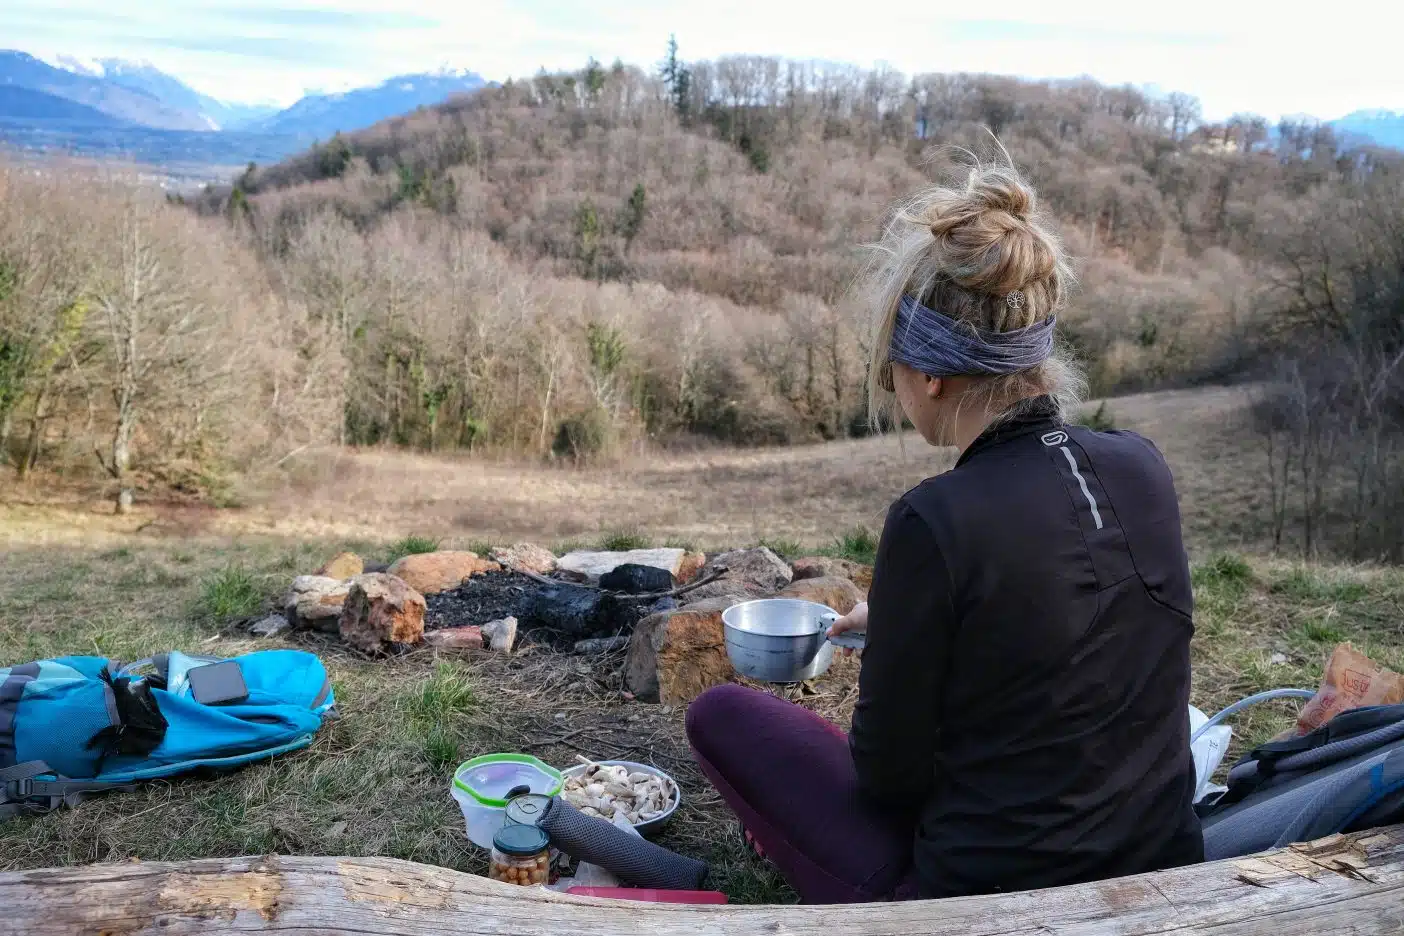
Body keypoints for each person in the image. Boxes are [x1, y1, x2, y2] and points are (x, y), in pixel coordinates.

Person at [685, 159, 1204, 903]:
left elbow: (889, 778)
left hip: (976, 899)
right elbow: (1062, 626)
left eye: (891, 362)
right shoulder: (1140, 467)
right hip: (1157, 863)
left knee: (722, 716)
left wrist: (904, 653)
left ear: (929, 373)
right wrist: (903, 625)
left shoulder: (935, 520)